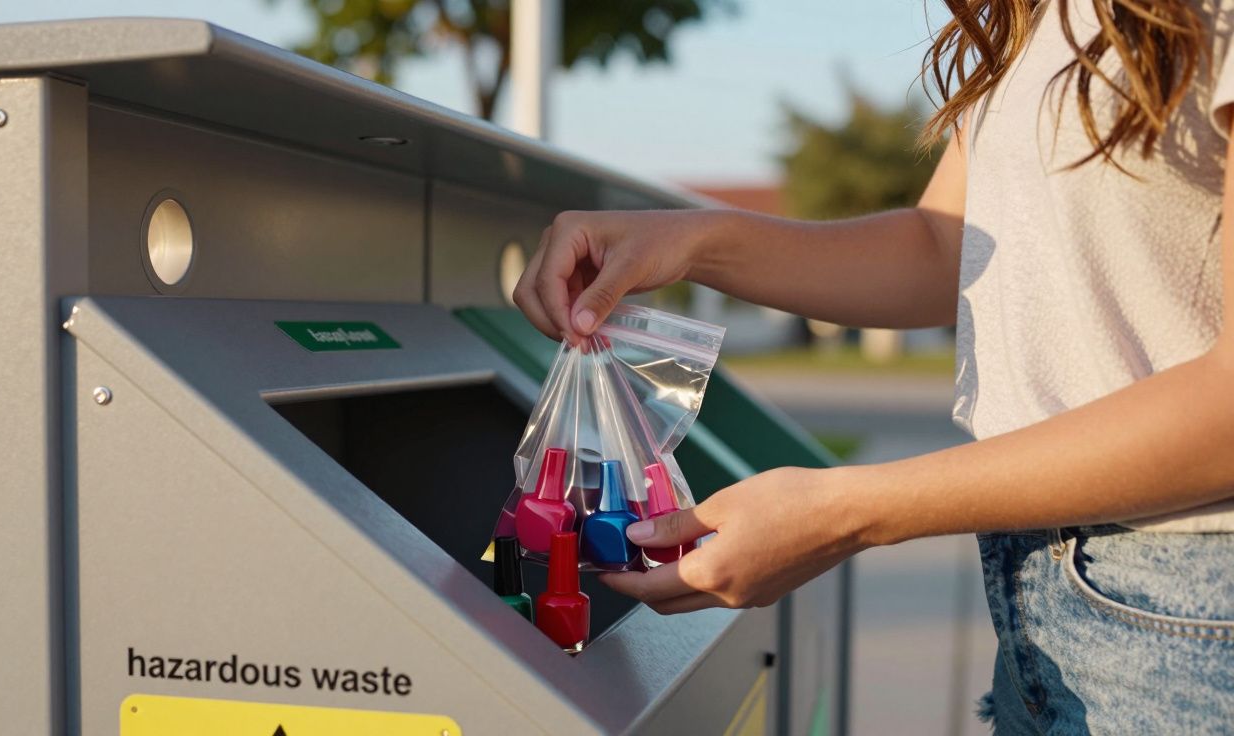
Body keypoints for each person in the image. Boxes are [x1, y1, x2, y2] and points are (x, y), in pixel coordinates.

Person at [512, 0, 1234, 732]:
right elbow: (947, 246)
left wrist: (847, 513)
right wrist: (695, 240)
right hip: (1040, 592)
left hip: (1190, 607)